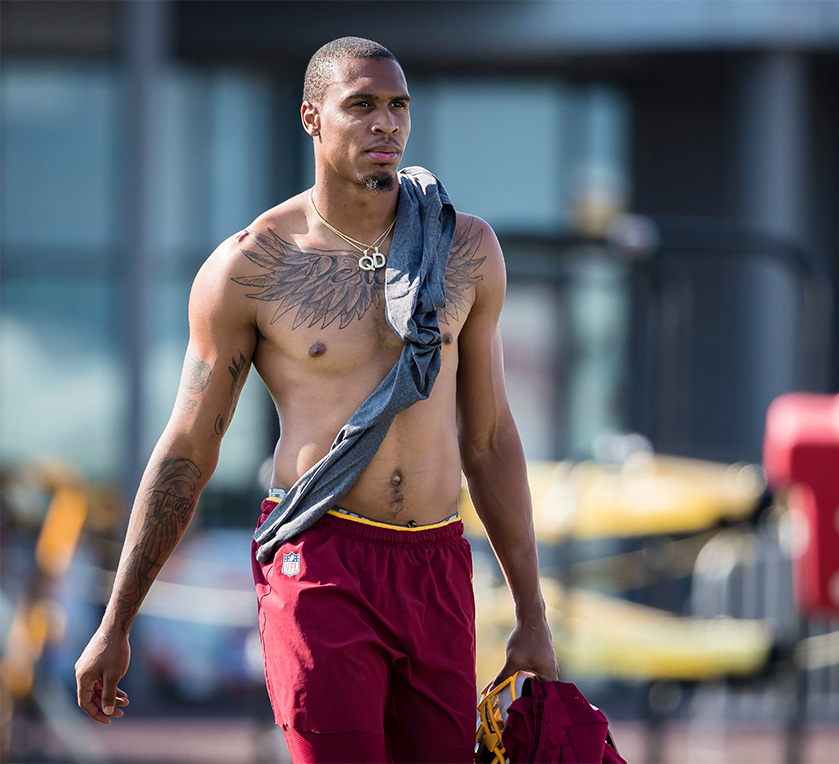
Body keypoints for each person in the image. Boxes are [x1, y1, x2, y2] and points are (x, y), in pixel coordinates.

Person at [75, 36, 558, 763]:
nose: (385, 123)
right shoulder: (250, 267)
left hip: (436, 562)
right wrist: (117, 622)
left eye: (397, 105)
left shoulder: (465, 249)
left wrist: (531, 613)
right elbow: (188, 448)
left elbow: (488, 440)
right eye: (360, 105)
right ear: (311, 118)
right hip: (322, 558)